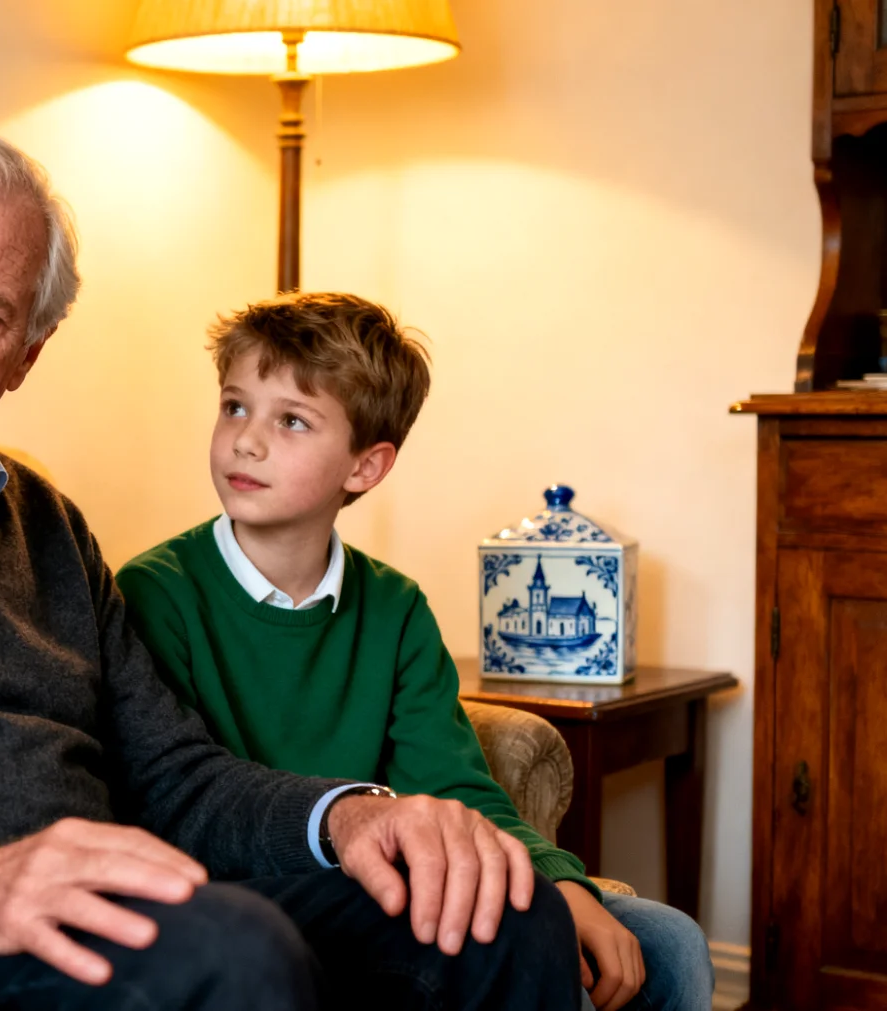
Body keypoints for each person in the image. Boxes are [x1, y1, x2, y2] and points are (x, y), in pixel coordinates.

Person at [0, 129, 581, 1009]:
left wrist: (352, 816)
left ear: (27, 354)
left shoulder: (44, 521)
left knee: (503, 919)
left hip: (101, 908)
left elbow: (175, 776)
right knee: (231, 950)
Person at [114, 291, 715, 1011]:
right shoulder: (155, 593)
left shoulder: (395, 607)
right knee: (532, 943)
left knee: (671, 943)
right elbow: (178, 798)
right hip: (261, 903)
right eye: (235, 406)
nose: (246, 441)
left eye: (292, 420)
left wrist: (564, 883)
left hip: (396, 883)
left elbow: (456, 787)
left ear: (365, 467)